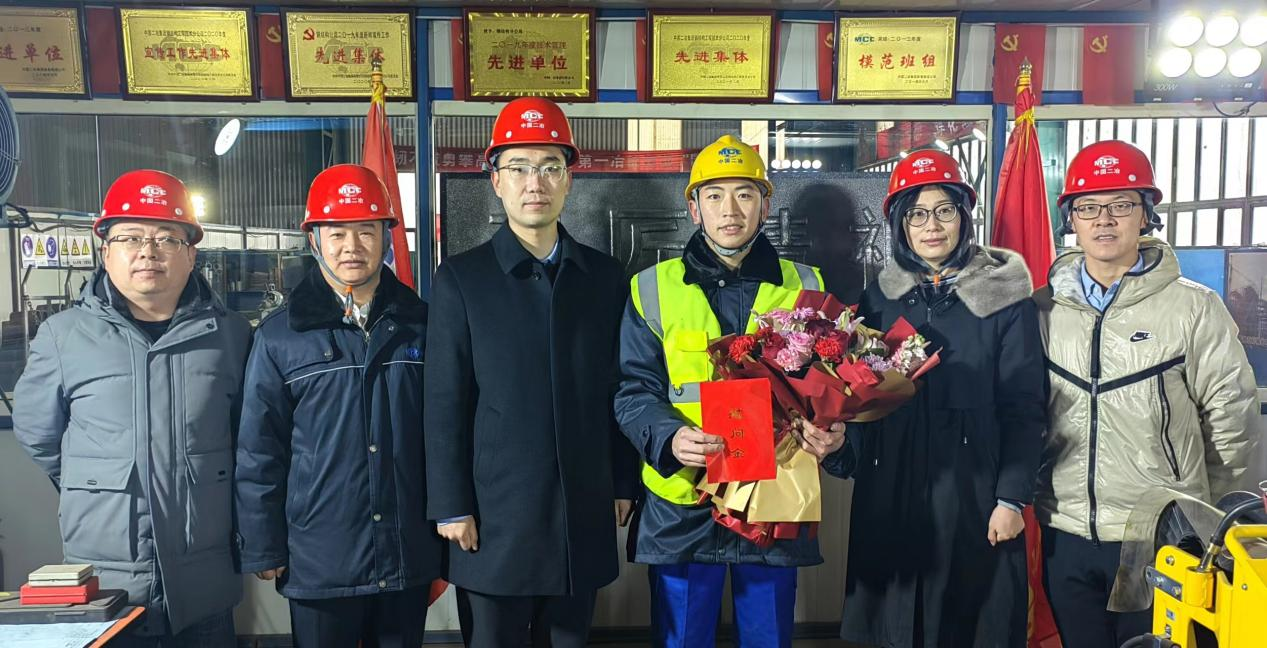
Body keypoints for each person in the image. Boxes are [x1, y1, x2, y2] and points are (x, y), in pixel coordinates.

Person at [423, 96, 638, 647]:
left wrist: (622, 481)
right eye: (518, 167)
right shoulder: (462, 280)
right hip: (495, 518)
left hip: (580, 509)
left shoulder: (604, 277)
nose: (534, 183)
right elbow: (444, 401)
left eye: (549, 167)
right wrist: (450, 504)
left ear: (569, 180)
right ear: (496, 181)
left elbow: (619, 386)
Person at [614, 134, 845, 647]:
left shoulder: (807, 285)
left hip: (773, 498)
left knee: (768, 637)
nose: (730, 210)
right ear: (694, 208)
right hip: (683, 498)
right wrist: (669, 437)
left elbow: (831, 386)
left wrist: (834, 432)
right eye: (714, 195)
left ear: (766, 205)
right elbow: (633, 389)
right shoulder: (651, 288)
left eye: (745, 194)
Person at [1034, 140, 1260, 648]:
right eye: (1089, 207)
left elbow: (1233, 419)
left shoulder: (1193, 308)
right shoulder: (1043, 309)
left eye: (1121, 204)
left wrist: (1216, 520)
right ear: (1072, 220)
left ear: (1146, 215)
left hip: (1165, 533)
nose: (1104, 220)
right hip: (1066, 529)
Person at [14, 170, 249, 645]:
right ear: (106, 251)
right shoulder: (63, 336)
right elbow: (39, 434)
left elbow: (249, 439)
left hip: (203, 578)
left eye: (166, 238)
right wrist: (97, 480)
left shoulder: (232, 336)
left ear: (191, 254)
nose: (148, 251)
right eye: (131, 237)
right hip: (107, 585)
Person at [821, 149, 1045, 647]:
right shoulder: (878, 300)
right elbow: (864, 404)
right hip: (891, 491)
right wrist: (838, 447)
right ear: (900, 224)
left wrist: (1011, 498)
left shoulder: (1005, 299)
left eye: (945, 210)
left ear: (964, 216)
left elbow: (1025, 407)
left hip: (973, 495)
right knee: (892, 626)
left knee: (969, 625)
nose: (932, 226)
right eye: (917, 214)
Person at [234, 164, 441, 648]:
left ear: (386, 238)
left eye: (366, 231)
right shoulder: (280, 337)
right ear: (314, 241)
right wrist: (263, 544)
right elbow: (259, 449)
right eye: (337, 233)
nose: (352, 246)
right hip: (320, 557)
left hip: (406, 549)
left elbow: (446, 432)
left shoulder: (424, 326)